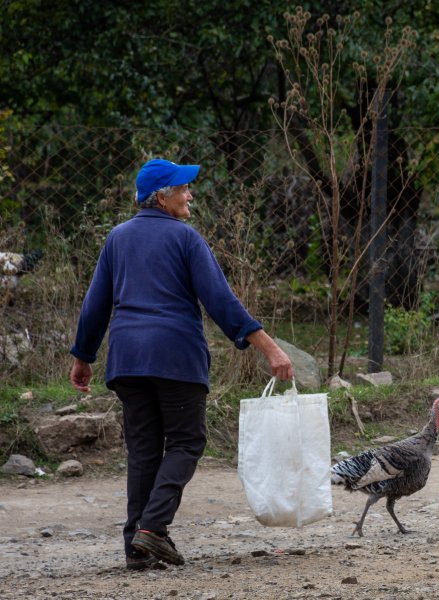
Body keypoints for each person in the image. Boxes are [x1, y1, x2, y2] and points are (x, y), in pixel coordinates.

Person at [69, 158, 294, 570]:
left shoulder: (116, 239)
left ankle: (137, 549)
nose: (190, 195)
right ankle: (153, 528)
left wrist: (83, 356)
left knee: (143, 452)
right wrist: (269, 347)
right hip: (175, 356)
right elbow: (220, 300)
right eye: (183, 188)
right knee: (187, 443)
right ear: (161, 196)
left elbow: (95, 304)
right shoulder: (185, 238)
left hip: (128, 359)